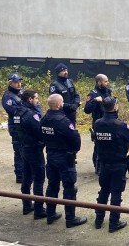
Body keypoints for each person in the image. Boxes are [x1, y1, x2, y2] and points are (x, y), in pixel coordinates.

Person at [41, 94, 87, 228]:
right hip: (64, 157)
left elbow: (41, 134)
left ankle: (50, 214)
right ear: (59, 104)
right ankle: (70, 218)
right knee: (69, 188)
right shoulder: (63, 121)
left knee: (52, 185)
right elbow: (75, 140)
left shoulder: (44, 119)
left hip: (50, 155)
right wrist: (73, 151)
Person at [93, 97, 129, 233]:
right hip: (117, 163)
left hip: (104, 163)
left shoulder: (97, 123)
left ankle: (98, 220)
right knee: (116, 192)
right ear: (115, 107)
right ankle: (113, 222)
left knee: (104, 190)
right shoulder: (120, 125)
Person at [15, 90, 48, 219]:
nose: (38, 101)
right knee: (39, 179)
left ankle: (27, 205)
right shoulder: (30, 115)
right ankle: (39, 210)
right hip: (34, 149)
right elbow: (39, 131)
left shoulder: (18, 112)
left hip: (23, 147)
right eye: (36, 98)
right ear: (30, 100)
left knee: (27, 178)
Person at [84, 74, 112, 174]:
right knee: (98, 145)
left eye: (107, 81)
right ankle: (97, 166)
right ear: (99, 82)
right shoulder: (92, 94)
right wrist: (94, 101)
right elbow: (87, 110)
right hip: (98, 123)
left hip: (109, 122)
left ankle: (107, 165)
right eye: (105, 81)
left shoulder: (108, 92)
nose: (107, 83)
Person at [2, 73, 25, 183]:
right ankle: (20, 175)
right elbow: (14, 111)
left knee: (26, 149)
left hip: (25, 124)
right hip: (16, 126)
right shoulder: (8, 97)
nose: (19, 84)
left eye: (20, 82)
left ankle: (26, 172)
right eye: (16, 82)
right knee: (19, 151)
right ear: (10, 83)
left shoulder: (22, 93)